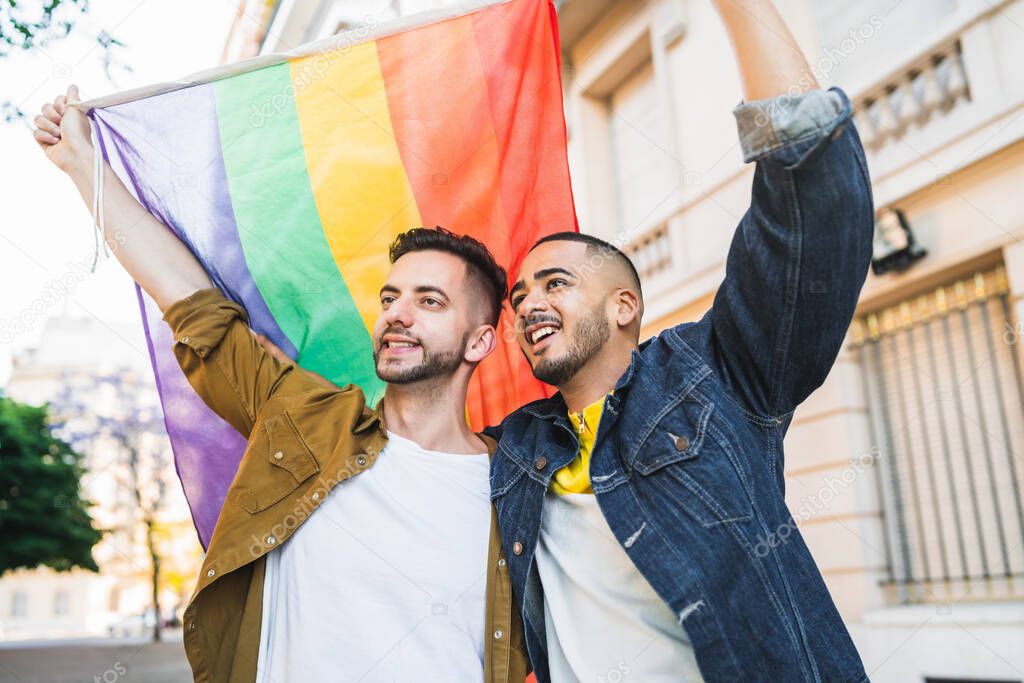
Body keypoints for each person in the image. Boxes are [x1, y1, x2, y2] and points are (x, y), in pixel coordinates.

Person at [33, 89, 528, 682]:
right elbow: (191, 303)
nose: (398, 313)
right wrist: (82, 165)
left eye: (430, 301)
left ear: (478, 342)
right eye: (390, 297)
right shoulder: (308, 417)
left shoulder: (520, 487)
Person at [490, 1, 874, 681]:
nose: (529, 305)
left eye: (555, 283)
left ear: (624, 307)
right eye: (519, 297)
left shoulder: (711, 375)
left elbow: (809, 190)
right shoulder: (514, 450)